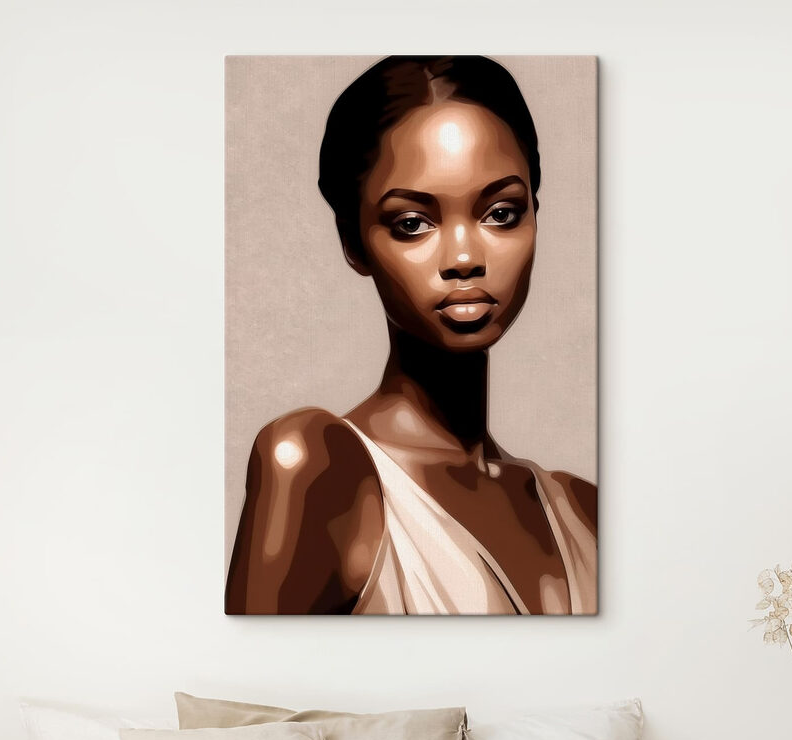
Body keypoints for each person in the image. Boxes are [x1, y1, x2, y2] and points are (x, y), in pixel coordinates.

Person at [225, 55, 597, 615]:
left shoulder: (584, 509)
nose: (466, 258)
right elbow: (259, 684)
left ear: (536, 216)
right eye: (412, 224)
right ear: (353, 243)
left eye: (501, 213)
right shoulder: (316, 466)